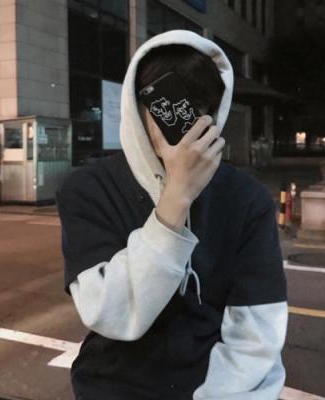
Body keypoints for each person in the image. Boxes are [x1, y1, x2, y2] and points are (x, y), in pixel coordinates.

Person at [56, 30, 288, 400]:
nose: (185, 124)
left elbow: (256, 332)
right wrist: (175, 199)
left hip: (214, 386)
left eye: (201, 108)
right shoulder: (88, 187)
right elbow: (109, 311)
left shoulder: (247, 199)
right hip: (111, 385)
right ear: (136, 107)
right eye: (166, 104)